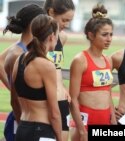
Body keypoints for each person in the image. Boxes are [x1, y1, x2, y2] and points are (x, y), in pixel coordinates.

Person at [12, 14, 62, 141]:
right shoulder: (46, 66)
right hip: (41, 130)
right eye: (57, 35)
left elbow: (14, 102)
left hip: (22, 128)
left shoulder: (20, 59)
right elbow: (55, 113)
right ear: (52, 37)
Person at [69, 3, 115, 141]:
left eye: (111, 34)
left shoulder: (107, 60)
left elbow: (108, 91)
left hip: (105, 118)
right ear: (91, 35)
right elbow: (73, 99)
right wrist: (82, 130)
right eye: (105, 35)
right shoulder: (80, 60)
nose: (109, 39)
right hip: (84, 121)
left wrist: (112, 116)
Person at [1, 4, 45, 141]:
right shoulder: (17, 53)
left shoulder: (19, 49)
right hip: (21, 120)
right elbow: (15, 100)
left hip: (27, 119)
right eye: (43, 21)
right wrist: (23, 126)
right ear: (34, 23)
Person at [44, 0, 75, 140]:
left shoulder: (62, 38)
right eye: (64, 20)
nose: (66, 25)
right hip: (43, 102)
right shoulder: (35, 38)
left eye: (69, 21)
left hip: (62, 100)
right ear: (51, 12)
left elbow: (57, 68)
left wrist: (62, 86)